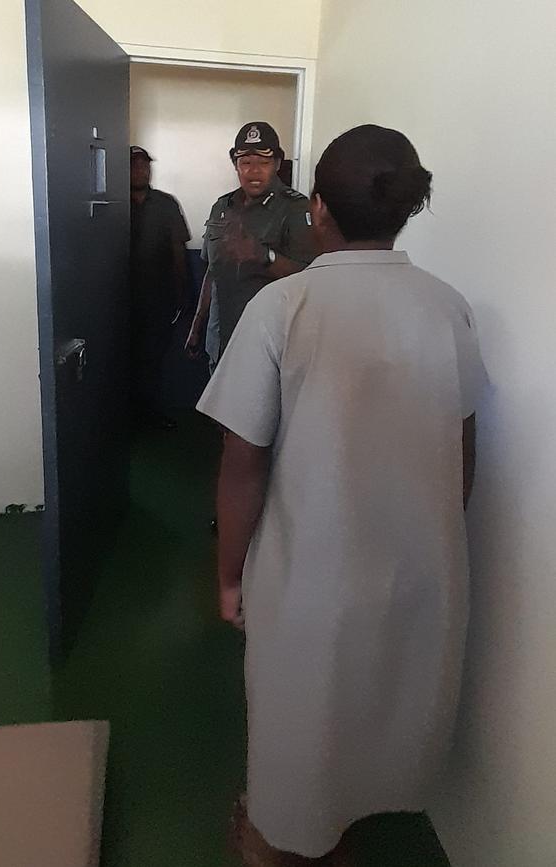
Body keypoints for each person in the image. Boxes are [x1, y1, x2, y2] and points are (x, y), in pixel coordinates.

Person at [196, 125, 487, 865]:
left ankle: (279, 847)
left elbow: (242, 463)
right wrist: (438, 539)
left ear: (318, 207)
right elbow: (463, 446)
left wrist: (231, 573)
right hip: (421, 570)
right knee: (380, 707)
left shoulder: (283, 308)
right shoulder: (448, 306)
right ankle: (336, 833)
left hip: (311, 578)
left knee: (303, 717)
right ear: (406, 209)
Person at [185, 122, 315, 366]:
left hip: (267, 347)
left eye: (263, 163)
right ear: (235, 164)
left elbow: (310, 278)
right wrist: (196, 326)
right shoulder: (222, 207)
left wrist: (263, 256)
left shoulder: (296, 209)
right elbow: (212, 273)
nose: (254, 171)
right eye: (245, 163)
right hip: (219, 340)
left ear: (277, 164)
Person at [130, 145, 190, 430]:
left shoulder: (166, 204)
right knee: (121, 358)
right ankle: (123, 420)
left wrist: (181, 294)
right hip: (118, 300)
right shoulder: (111, 203)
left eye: (144, 165)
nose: (140, 169)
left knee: (153, 360)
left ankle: (150, 416)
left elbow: (178, 249)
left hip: (157, 297)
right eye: (133, 165)